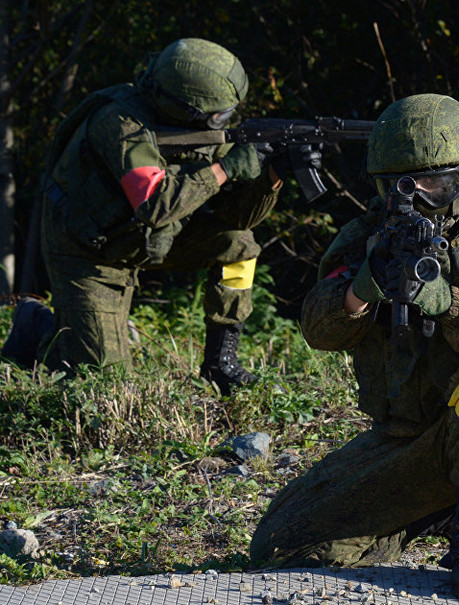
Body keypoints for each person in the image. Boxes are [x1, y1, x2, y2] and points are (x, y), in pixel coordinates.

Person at [249, 93, 459, 599]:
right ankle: (421, 516)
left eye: (437, 184)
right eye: (399, 186)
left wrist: (450, 302)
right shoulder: (371, 232)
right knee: (279, 546)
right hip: (411, 439)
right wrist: (363, 288)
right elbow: (319, 330)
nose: (417, 196)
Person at [1, 37, 282, 395]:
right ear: (183, 108)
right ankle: (36, 324)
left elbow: (238, 218)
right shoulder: (119, 123)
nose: (224, 123)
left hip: (147, 237)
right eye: (219, 116)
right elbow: (154, 204)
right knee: (104, 385)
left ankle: (219, 365)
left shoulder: (193, 127)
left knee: (239, 245)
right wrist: (225, 168)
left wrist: (272, 177)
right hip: (88, 250)